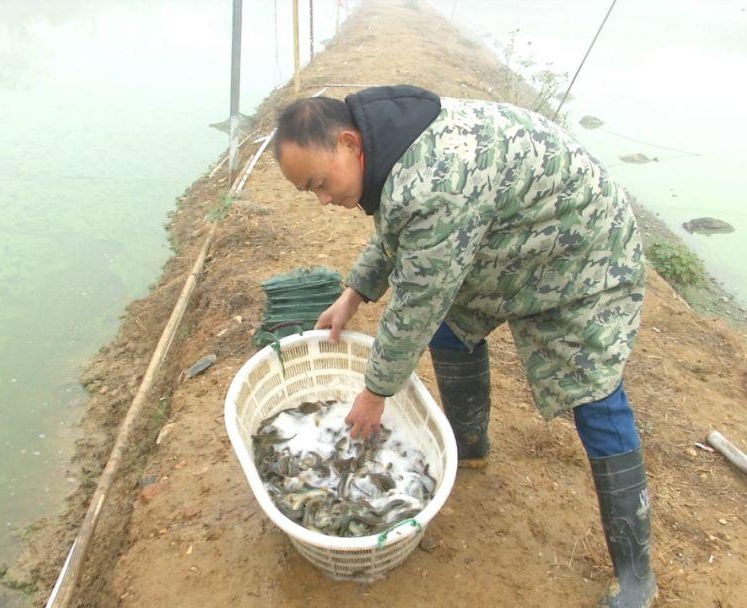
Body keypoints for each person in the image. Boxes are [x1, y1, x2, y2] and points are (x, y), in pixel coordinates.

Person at [273, 84, 655, 608]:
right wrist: (353, 294)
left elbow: (417, 300)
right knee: (457, 323)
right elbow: (397, 234)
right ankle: (469, 445)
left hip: (581, 250)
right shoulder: (389, 147)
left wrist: (375, 390)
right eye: (308, 192)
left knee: (593, 391)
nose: (322, 200)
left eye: (319, 183)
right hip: (512, 236)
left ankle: (636, 573)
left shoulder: (434, 180)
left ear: (347, 142)